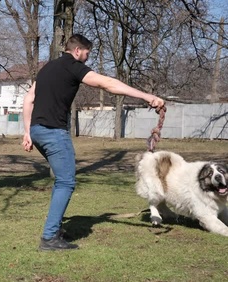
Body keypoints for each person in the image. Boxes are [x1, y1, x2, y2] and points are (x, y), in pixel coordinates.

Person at [22, 34, 165, 251]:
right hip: (53, 131)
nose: (88, 58)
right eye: (87, 53)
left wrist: (27, 131)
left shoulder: (47, 68)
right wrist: (146, 96)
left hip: (38, 130)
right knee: (66, 182)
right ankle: (49, 237)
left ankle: (55, 229)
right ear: (78, 50)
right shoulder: (72, 65)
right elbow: (107, 84)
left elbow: (29, 98)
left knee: (62, 180)